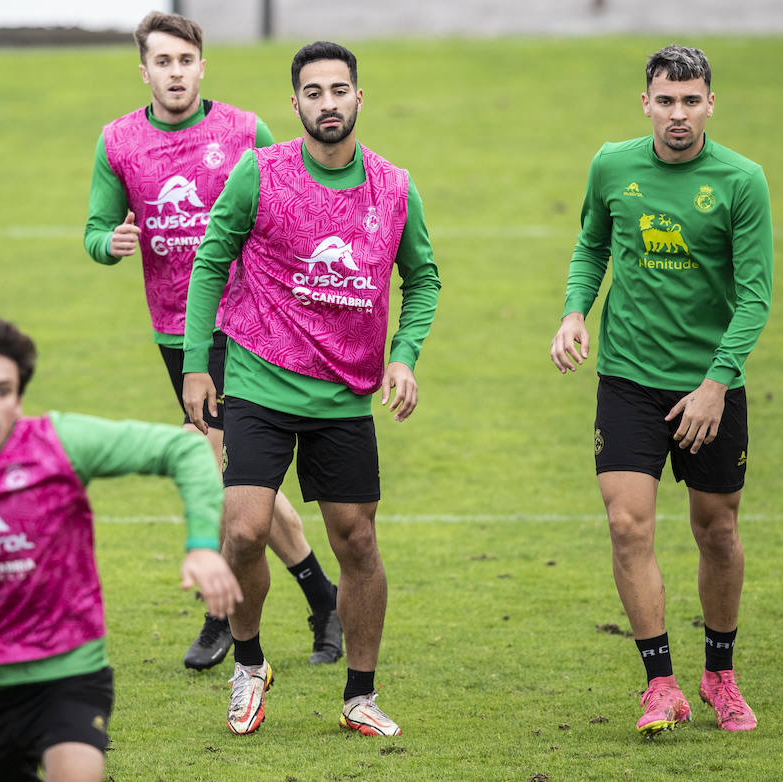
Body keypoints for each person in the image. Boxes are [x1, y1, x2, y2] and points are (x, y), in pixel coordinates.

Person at [182, 41, 441, 737]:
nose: (329, 103)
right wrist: (196, 365)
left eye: (340, 90)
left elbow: (424, 279)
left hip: (343, 397)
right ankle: (249, 664)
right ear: (295, 104)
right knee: (243, 530)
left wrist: (405, 357)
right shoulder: (258, 174)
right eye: (314, 92)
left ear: (360, 98)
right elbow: (210, 259)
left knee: (356, 543)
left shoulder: (393, 185)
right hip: (260, 384)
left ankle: (359, 695)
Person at [84, 10, 342, 671]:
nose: (175, 73)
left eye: (185, 61)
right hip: (174, 333)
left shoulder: (244, 130)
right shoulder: (118, 142)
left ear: (203, 66)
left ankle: (221, 614)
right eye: (162, 63)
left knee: (231, 478)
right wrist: (105, 244)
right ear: (144, 71)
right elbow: (93, 227)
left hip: (244, 325)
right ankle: (322, 597)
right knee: (236, 478)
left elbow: (285, 205)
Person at [0, 317, 241, 781]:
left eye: (5, 390)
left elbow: (185, 451)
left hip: (70, 666)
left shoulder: (56, 443)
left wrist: (202, 545)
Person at [549, 45, 772, 737]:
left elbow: (755, 296)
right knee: (626, 525)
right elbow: (592, 245)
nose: (679, 114)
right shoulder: (613, 164)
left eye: (691, 100)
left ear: (711, 103)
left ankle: (720, 675)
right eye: (666, 100)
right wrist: (573, 310)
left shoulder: (741, 181)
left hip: (710, 386)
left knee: (718, 530)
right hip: (628, 378)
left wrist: (716, 383)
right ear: (645, 102)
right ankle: (661, 685)